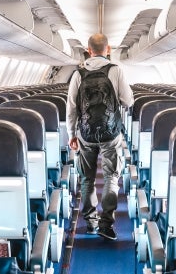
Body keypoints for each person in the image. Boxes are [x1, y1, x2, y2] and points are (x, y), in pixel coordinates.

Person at [66, 33, 133, 240]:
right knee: (111, 177)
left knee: (87, 179)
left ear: (88, 49)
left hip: (85, 134)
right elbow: (128, 101)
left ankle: (91, 223)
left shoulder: (78, 74)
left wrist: (72, 135)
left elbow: (71, 108)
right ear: (108, 49)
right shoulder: (115, 71)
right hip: (110, 133)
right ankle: (107, 224)